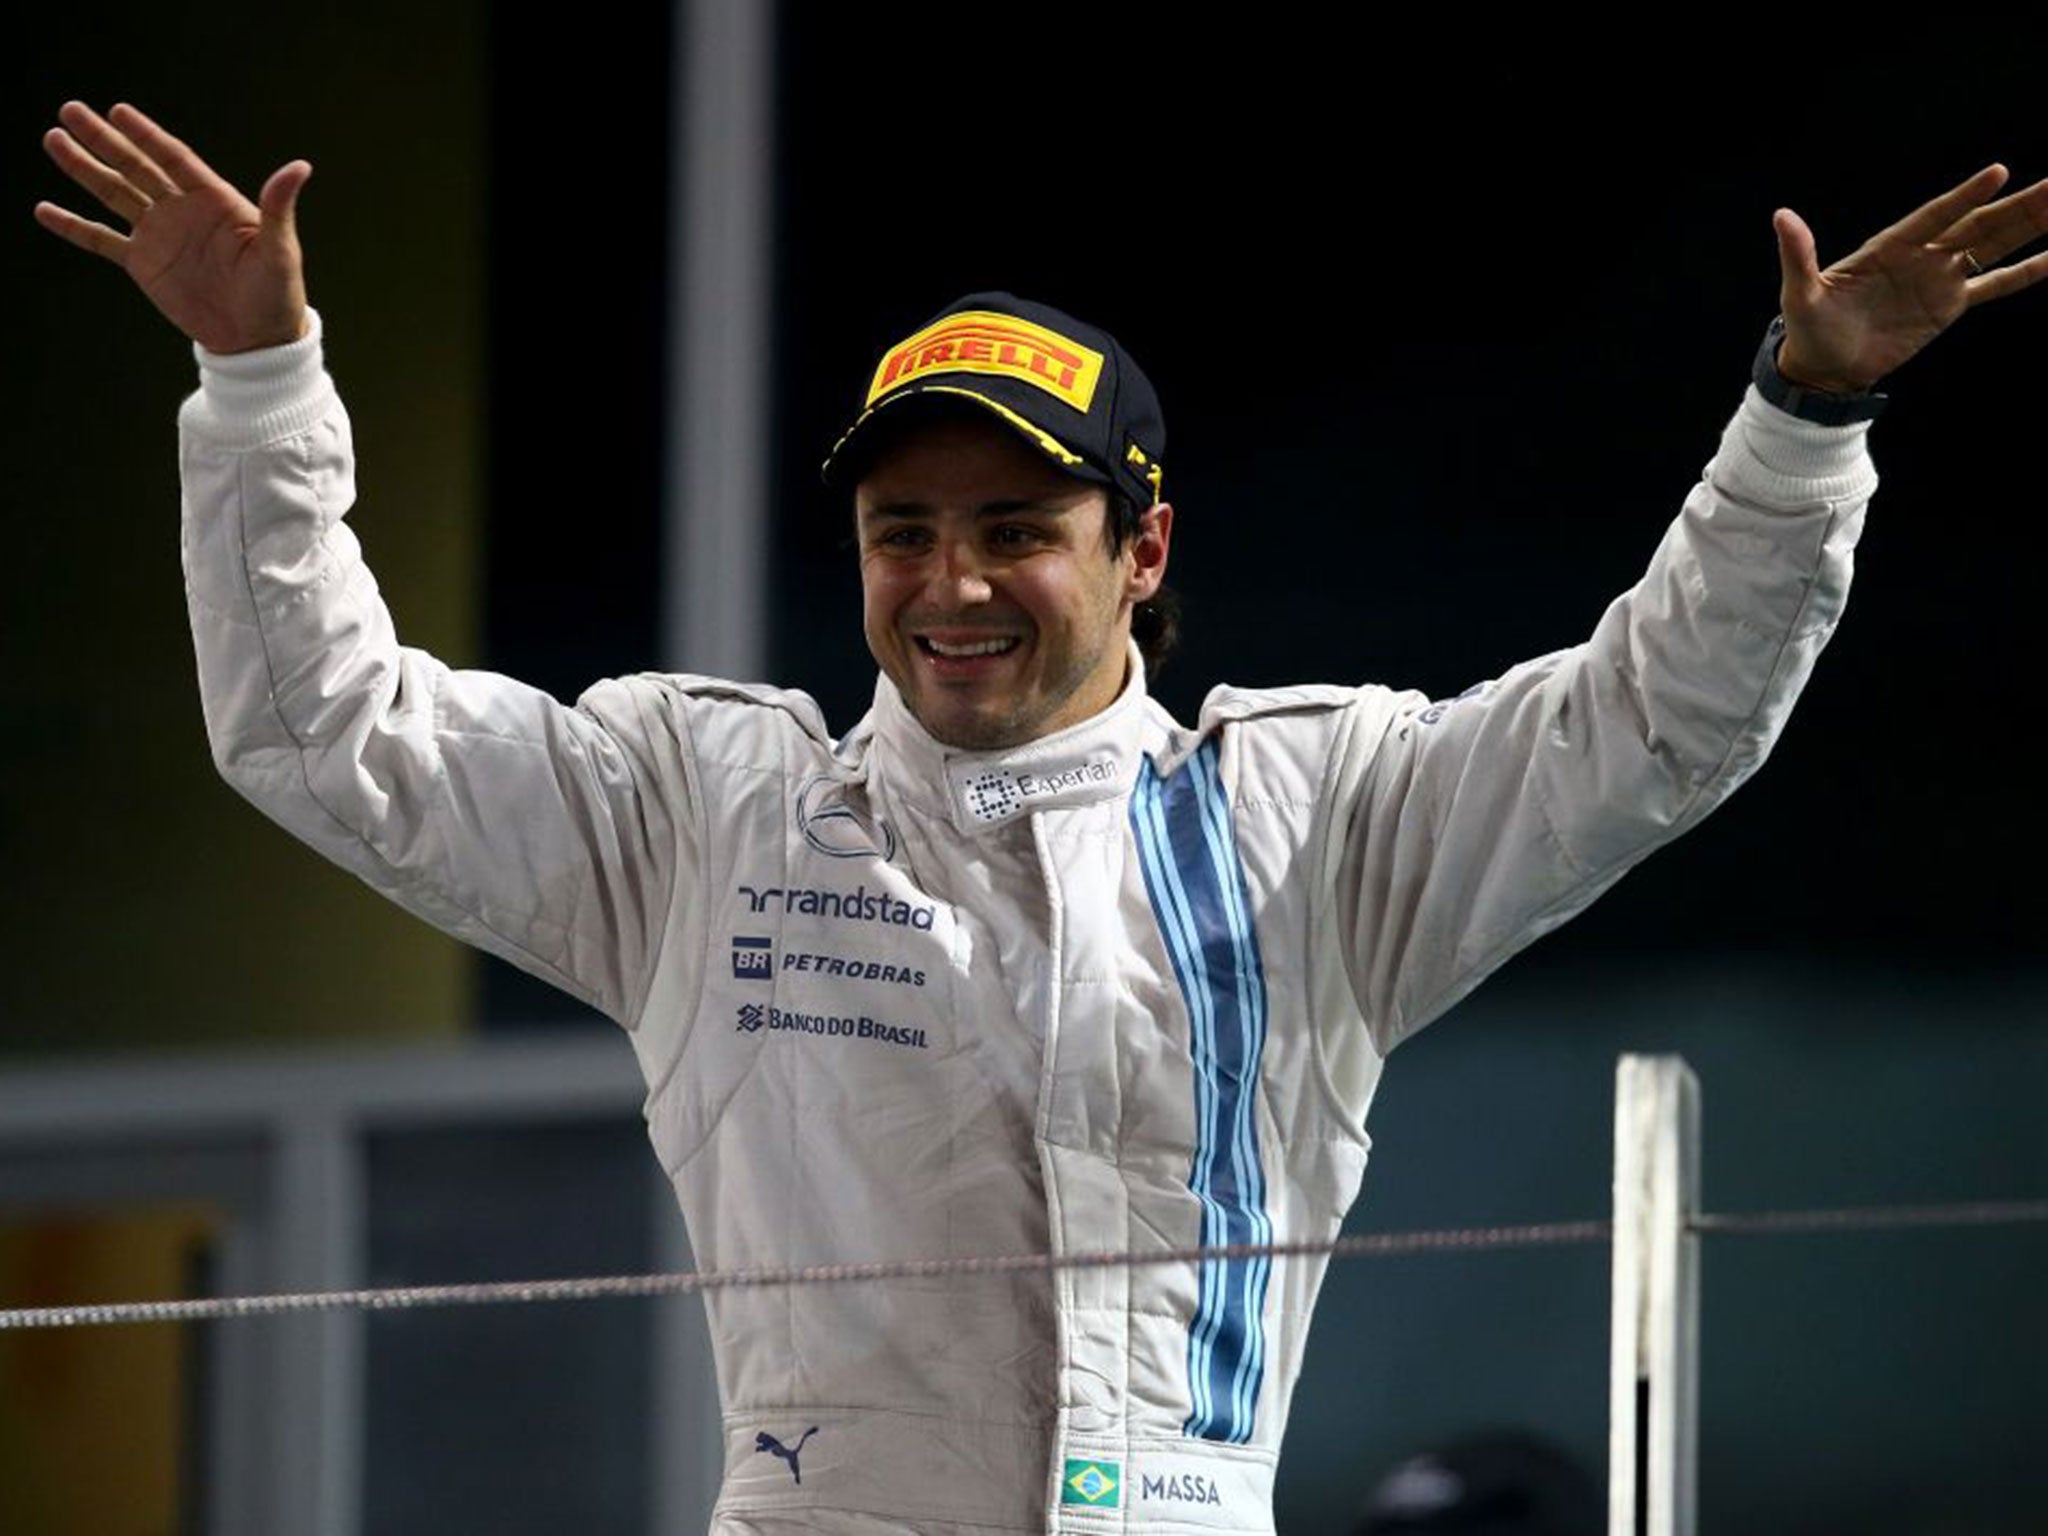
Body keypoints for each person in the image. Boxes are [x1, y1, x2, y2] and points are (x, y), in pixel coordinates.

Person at [35, 100, 2047, 1536]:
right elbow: (317, 728)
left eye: (1016, 530)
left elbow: (1662, 720)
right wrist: (258, 381)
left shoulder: (1318, 812)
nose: (951, 580)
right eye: (902, 531)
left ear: (1143, 547)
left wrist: (1802, 420)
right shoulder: (702, 811)